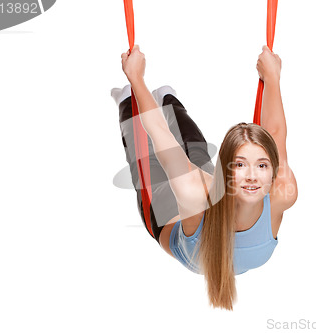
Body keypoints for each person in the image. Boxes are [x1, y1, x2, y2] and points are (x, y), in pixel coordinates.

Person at [111, 45, 298, 310]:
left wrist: (273, 77)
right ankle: (127, 99)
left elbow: (276, 132)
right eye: (241, 164)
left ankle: (166, 98)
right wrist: (136, 78)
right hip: (173, 216)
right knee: (152, 156)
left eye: (262, 165)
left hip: (199, 201)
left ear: (273, 171)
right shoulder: (194, 191)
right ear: (225, 169)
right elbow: (160, 134)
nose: (252, 176)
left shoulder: (283, 191)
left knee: (195, 153)